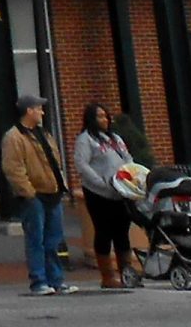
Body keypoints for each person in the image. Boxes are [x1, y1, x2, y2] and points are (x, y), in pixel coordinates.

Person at [1, 93, 78, 296]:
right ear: (29, 110)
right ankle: (39, 281)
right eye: (38, 108)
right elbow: (13, 168)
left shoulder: (44, 134)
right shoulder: (14, 137)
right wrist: (28, 192)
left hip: (53, 193)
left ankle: (56, 280)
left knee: (53, 239)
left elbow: (54, 161)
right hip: (34, 196)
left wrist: (60, 185)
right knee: (36, 239)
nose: (42, 112)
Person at [71, 101, 135, 290]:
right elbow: (82, 165)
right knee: (104, 232)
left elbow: (128, 158)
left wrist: (131, 177)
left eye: (105, 116)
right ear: (91, 118)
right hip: (98, 193)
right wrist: (101, 182)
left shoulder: (114, 138)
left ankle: (127, 273)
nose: (104, 119)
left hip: (120, 192)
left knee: (122, 233)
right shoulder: (86, 139)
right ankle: (107, 276)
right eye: (99, 116)